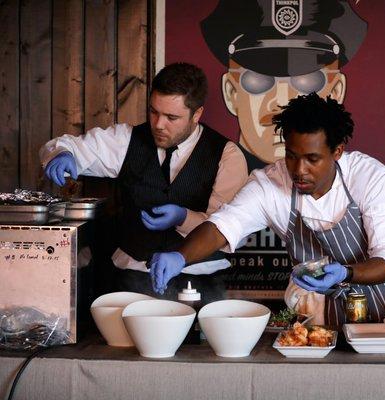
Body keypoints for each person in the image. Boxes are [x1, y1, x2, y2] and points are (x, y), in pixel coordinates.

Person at [149, 93, 385, 325]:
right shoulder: (270, 184)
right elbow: (225, 225)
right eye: (291, 156)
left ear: (337, 151)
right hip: (320, 317)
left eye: (312, 159)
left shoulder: (369, 177)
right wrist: (180, 256)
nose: (299, 170)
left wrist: (346, 272)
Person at [39, 62, 248, 302]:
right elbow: (70, 146)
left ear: (197, 114)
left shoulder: (226, 155)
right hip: (129, 278)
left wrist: (183, 217)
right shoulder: (127, 140)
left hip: (201, 280)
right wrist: (61, 153)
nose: (158, 124)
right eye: (154, 112)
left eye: (172, 117)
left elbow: (231, 230)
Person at [201, 0, 367, 169]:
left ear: (335, 93)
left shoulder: (361, 177)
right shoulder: (207, 173)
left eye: (306, 81)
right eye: (258, 80)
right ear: (231, 93)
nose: (282, 102)